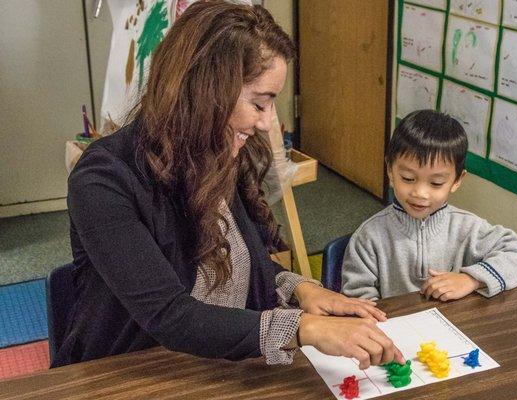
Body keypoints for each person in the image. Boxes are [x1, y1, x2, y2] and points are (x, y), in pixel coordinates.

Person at [55, 1, 405, 371]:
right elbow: (169, 315)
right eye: (259, 103)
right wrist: (304, 327)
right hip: (132, 374)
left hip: (217, 366)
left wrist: (301, 289)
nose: (267, 122)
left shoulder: (216, 152)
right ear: (206, 91)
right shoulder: (104, 180)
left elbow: (237, 263)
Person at [342, 110, 517, 301]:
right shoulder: (369, 237)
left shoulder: (467, 227)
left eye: (436, 183)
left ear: (457, 180)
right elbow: (356, 301)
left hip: (455, 325)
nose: (420, 193)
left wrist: (470, 279)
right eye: (408, 178)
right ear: (390, 171)